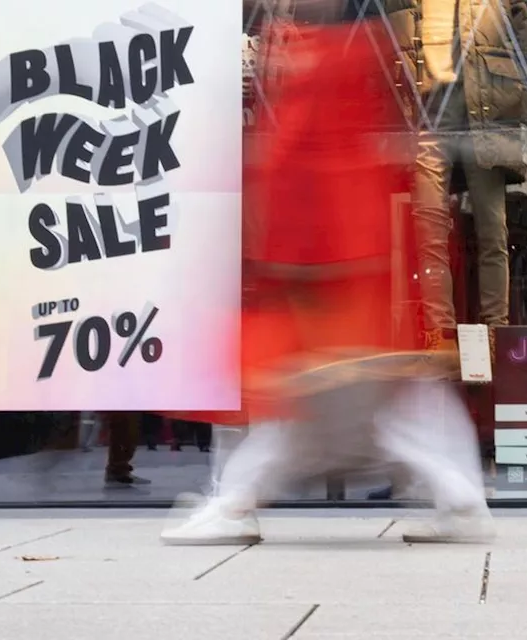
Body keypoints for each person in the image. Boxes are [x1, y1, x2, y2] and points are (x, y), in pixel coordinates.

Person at [160, 10, 492, 545]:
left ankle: (235, 501)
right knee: (369, 391)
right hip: (343, 246)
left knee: (308, 390)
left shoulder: (327, 54)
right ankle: (459, 496)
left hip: (322, 250)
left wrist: (283, 251)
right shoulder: (354, 48)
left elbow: (302, 155)